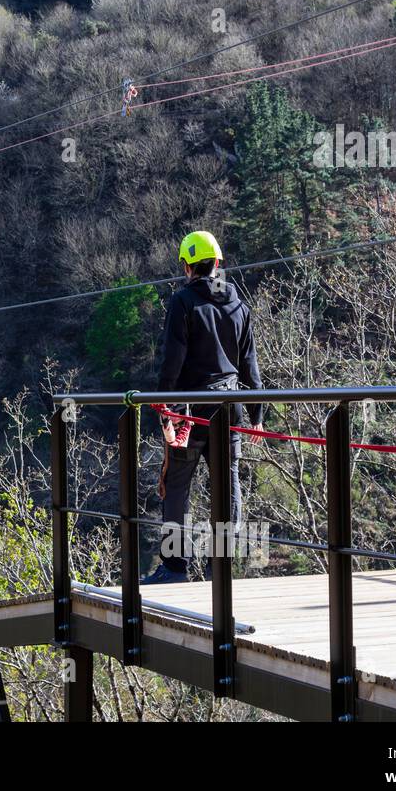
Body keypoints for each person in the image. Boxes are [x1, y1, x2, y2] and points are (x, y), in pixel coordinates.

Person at [143, 231, 263, 584]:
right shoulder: (239, 304)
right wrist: (257, 416)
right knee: (229, 485)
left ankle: (175, 568)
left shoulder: (183, 302)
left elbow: (172, 362)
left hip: (190, 413)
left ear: (187, 265)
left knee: (178, 486)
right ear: (217, 263)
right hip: (231, 409)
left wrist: (165, 407)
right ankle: (220, 566)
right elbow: (250, 364)